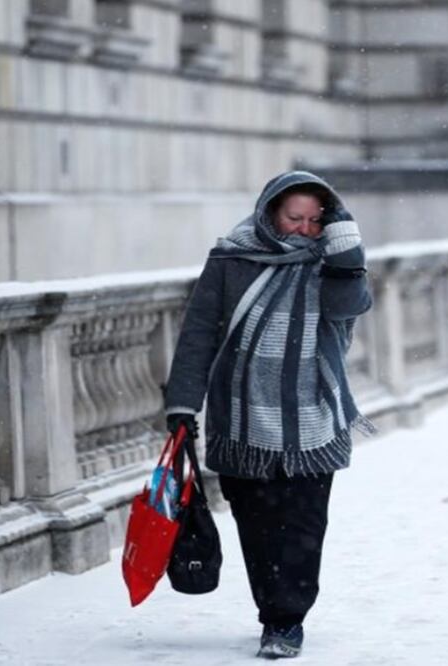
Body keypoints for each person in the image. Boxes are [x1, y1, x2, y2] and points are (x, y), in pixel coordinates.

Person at [163, 170, 374, 659]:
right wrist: (181, 405)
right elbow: (199, 334)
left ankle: (286, 621)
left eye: (315, 220)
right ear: (270, 213)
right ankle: (271, 608)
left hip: (313, 419)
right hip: (241, 419)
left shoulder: (333, 260)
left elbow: (351, 307)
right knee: (257, 526)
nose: (303, 228)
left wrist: (345, 251)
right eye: (293, 217)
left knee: (302, 526)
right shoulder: (231, 259)